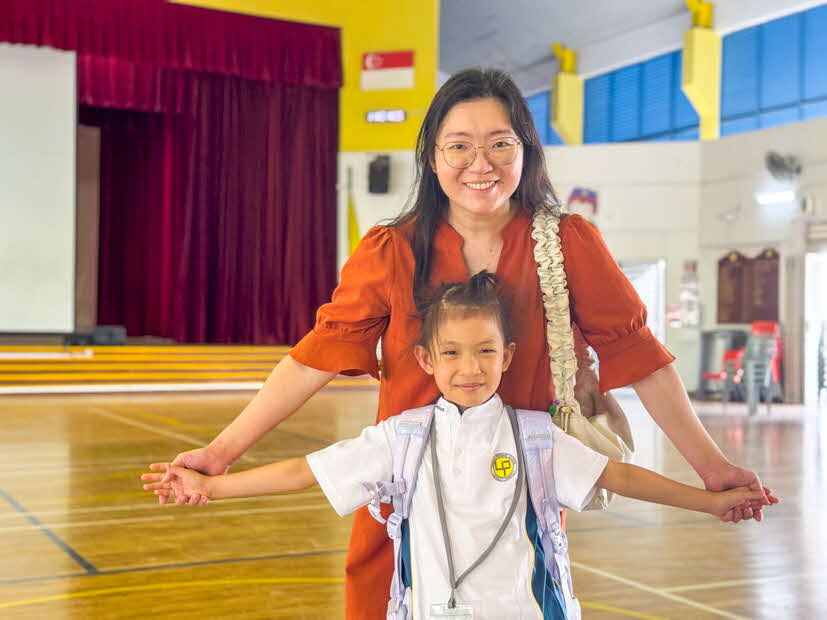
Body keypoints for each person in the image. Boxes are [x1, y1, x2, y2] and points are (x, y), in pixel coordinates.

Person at [158, 68, 772, 619]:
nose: (481, 164)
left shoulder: (570, 244)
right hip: (404, 493)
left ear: (524, 152)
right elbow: (313, 358)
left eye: (500, 145)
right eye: (459, 146)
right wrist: (220, 451)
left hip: (515, 492)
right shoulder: (391, 250)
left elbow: (642, 361)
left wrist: (712, 468)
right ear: (431, 155)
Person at [143, 273, 775, 620]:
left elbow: (621, 477)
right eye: (451, 353)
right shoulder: (403, 438)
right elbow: (305, 472)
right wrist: (213, 483)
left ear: (509, 357)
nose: (468, 367)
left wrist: (708, 501)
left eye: (484, 352)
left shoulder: (535, 437)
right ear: (425, 359)